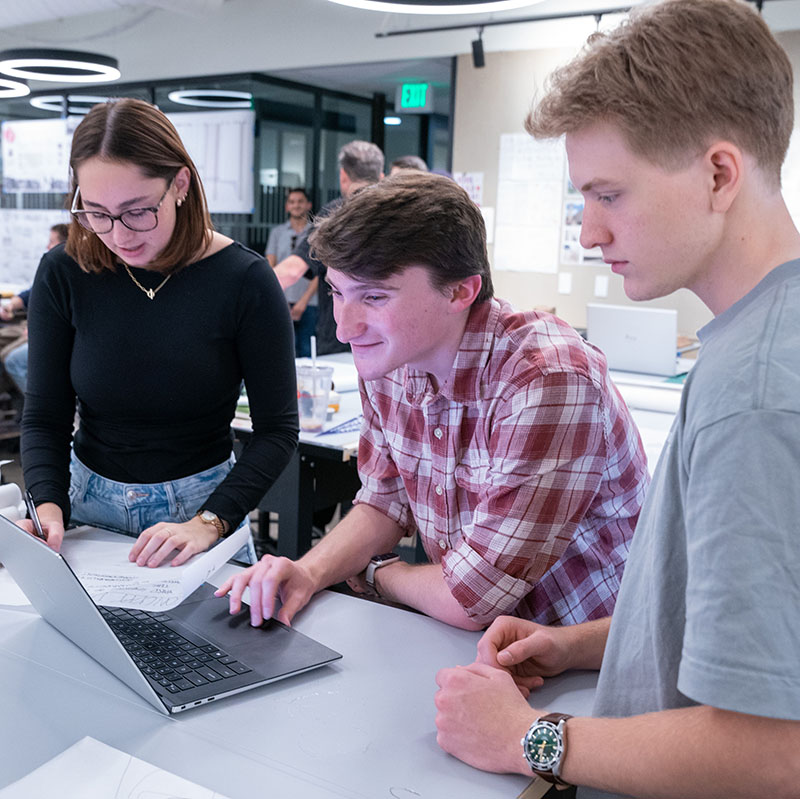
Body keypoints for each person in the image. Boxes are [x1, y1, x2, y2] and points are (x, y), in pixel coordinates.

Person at [433, 1, 800, 796]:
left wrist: (526, 739)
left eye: (610, 195)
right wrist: (585, 643)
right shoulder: (765, 336)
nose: (590, 232)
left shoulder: (758, 391)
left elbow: (774, 750)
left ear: (718, 174)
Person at [216, 170, 648, 632]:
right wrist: (309, 571)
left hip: (591, 654)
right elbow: (384, 502)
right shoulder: (391, 358)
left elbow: (473, 600)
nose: (345, 327)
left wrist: (381, 573)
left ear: (461, 290)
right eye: (338, 293)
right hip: (479, 645)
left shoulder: (546, 379)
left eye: (375, 296)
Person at [20, 98, 297, 569]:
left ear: (180, 185)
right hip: (86, 508)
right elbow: (45, 415)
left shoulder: (244, 280)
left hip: (204, 515)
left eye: (137, 211)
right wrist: (46, 505)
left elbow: (277, 431)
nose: (119, 234)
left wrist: (209, 522)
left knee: (206, 646)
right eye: (96, 212)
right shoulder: (63, 272)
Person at [274, 140, 384, 356]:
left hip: (341, 338)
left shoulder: (335, 213)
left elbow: (292, 270)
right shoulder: (398, 213)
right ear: (381, 176)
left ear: (343, 176)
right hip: (388, 340)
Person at [1, 224, 69, 394]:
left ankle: (29, 407)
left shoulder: (67, 271)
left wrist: (35, 327)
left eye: (51, 242)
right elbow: (30, 293)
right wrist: (12, 304)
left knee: (10, 358)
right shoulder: (51, 269)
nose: (47, 246)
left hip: (42, 328)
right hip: (30, 324)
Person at [265, 188, 318, 357]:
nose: (296, 205)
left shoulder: (317, 233)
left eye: (300, 201)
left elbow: (320, 271)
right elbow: (270, 266)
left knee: (308, 350)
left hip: (310, 303)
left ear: (308, 205)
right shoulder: (277, 233)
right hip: (282, 301)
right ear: (287, 206)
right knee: (284, 352)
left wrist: (303, 301)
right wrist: (278, 297)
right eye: (292, 202)